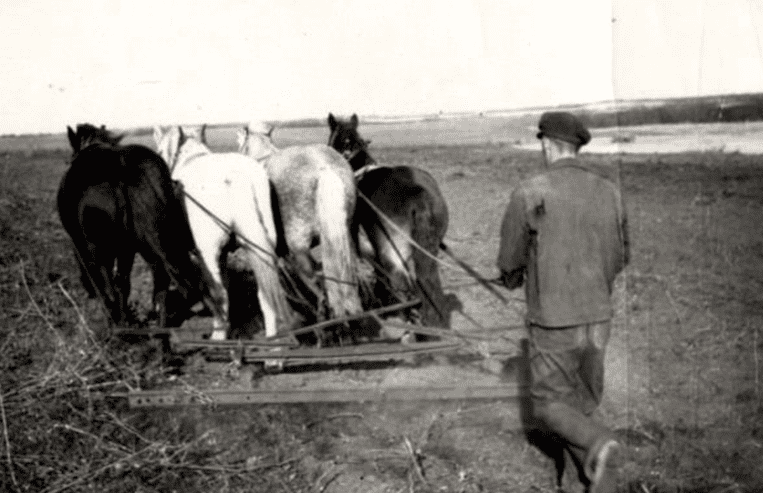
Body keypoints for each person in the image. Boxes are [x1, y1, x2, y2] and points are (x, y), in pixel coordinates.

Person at [496, 112, 630, 492]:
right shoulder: (609, 190)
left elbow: (509, 261)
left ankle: (601, 443)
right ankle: (589, 485)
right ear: (576, 146)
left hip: (555, 323)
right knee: (581, 403)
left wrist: (512, 277)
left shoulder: (530, 191)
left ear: (546, 144)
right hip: (599, 320)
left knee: (546, 406)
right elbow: (622, 255)